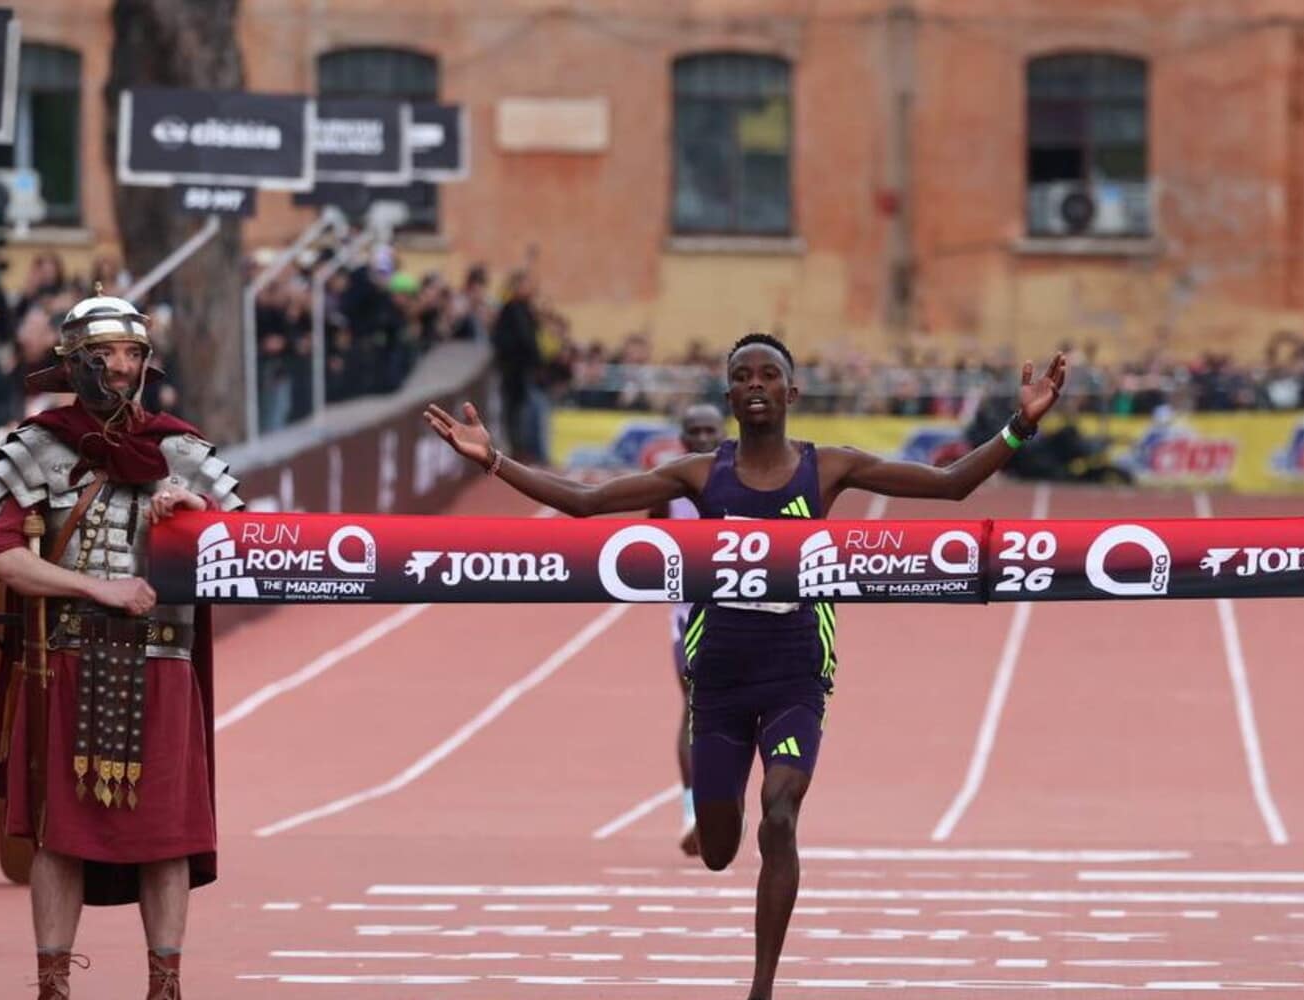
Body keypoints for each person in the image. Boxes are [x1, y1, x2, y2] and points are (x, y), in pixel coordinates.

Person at [426, 331, 1066, 1000]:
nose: (755, 383)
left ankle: (761, 987)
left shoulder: (827, 468)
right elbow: (587, 503)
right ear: (729, 395)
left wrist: (1020, 425)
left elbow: (952, 485)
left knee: (780, 813)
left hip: (795, 673)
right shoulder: (702, 474)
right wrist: (492, 459)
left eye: (768, 375)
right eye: (742, 376)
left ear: (792, 392)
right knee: (718, 850)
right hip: (720, 679)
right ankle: (716, 814)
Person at [0, 292, 242, 999]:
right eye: (104, 355)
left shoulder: (183, 451)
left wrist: (195, 514)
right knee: (60, 833)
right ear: (73, 364)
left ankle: (165, 986)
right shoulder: (35, 447)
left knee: (169, 834)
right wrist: (97, 588)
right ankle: (54, 987)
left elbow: (239, 552)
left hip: (164, 661)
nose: (121, 367)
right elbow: (2, 557)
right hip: (66, 660)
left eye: (132, 354)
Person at [648, 403, 728, 857]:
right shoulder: (670, 487)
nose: (701, 438)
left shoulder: (747, 478)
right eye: (693, 431)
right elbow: (649, 541)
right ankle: (692, 812)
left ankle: (729, 803)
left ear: (724, 433)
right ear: (682, 438)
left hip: (745, 610)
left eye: (709, 431)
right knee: (695, 706)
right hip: (690, 616)